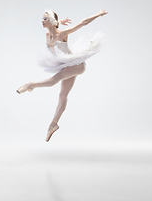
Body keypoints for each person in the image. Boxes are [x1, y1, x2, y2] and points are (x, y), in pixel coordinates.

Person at [17, 9, 108, 142]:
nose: (42, 21)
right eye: (42, 19)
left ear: (52, 21)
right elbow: (53, 27)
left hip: (76, 65)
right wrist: (59, 22)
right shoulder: (48, 34)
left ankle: (31, 85)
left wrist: (98, 15)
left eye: (45, 19)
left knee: (55, 80)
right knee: (62, 95)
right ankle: (53, 124)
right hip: (67, 66)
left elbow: (83, 23)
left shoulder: (63, 34)